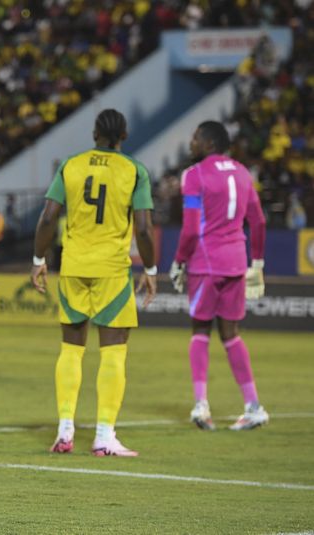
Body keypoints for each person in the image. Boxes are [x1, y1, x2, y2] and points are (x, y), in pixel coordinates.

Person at [31, 109, 157, 457]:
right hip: (112, 270)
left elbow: (48, 218)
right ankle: (103, 436)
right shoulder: (134, 170)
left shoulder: (71, 165)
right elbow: (144, 229)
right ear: (123, 136)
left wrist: (39, 260)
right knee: (113, 351)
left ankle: (64, 430)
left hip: (73, 266)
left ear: (94, 134)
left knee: (71, 349)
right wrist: (151, 269)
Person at [170, 121, 268, 432]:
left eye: (195, 138)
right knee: (231, 334)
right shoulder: (243, 173)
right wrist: (257, 263)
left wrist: (179, 261)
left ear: (209, 143)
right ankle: (253, 407)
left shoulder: (194, 175)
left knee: (200, 330)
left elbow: (190, 228)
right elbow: (259, 221)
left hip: (206, 262)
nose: (191, 143)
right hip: (237, 262)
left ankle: (201, 405)